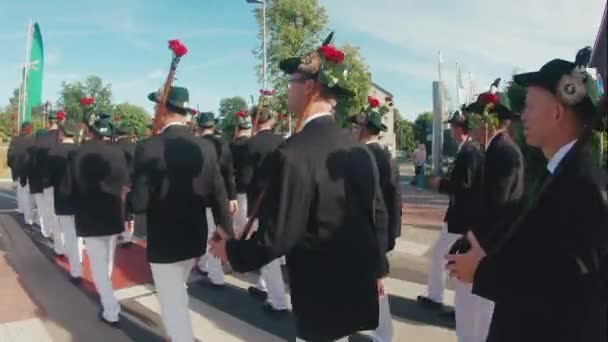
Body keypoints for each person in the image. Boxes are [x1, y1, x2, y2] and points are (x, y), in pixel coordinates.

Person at [210, 33, 389, 342]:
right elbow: (377, 216)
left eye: (291, 81)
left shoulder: (295, 153)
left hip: (319, 292)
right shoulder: (358, 148)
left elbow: (277, 237)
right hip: (354, 284)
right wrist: (377, 267)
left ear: (309, 87)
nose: (287, 89)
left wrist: (231, 252)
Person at [447, 48, 608, 342]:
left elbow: (564, 289)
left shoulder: (582, 187)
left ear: (557, 112)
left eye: (530, 106)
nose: (523, 116)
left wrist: (482, 272)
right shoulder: (561, 173)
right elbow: (540, 258)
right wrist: (489, 258)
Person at [130, 86, 232, 342]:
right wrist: (223, 228)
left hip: (165, 241)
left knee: (172, 304)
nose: (154, 111)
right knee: (178, 293)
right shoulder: (206, 147)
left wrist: (129, 193)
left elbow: (139, 203)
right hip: (194, 236)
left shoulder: (148, 147)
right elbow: (219, 192)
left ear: (163, 110)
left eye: (157, 107)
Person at [449, 80, 526, 342]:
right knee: (469, 317)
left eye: (478, 117)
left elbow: (498, 209)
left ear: (491, 121)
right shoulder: (493, 150)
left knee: (477, 321)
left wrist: (472, 247)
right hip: (482, 248)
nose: (475, 123)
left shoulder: (504, 153)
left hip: (487, 253)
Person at [417, 110, 484, 340]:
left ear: (459, 128)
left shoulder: (469, 152)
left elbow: (464, 185)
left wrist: (441, 184)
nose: (451, 130)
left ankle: (445, 301)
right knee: (442, 257)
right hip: (457, 218)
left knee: (444, 257)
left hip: (461, 220)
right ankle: (442, 299)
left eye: (453, 126)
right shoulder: (467, 150)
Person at [68, 113, 128, 327]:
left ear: (91, 131)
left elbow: (72, 185)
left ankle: (111, 308)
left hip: (89, 214)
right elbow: (124, 186)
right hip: (112, 212)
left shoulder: (79, 152)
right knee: (108, 259)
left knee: (98, 265)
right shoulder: (117, 153)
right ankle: (107, 292)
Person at [352, 105, 402, 342]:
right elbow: (395, 200)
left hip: (370, 230)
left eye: (356, 126)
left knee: (375, 283)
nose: (353, 130)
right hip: (376, 229)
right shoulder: (383, 156)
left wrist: (385, 237)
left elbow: (387, 201)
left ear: (364, 129)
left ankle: (383, 333)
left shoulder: (367, 156)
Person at [245, 105, 289, 314]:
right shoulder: (283, 141)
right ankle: (263, 286)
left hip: (261, 204)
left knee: (267, 250)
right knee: (270, 248)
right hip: (281, 200)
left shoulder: (252, 144)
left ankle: (278, 301)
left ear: (256, 120)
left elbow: (245, 179)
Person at [195, 111, 237, 287]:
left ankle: (215, 273)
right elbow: (229, 173)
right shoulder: (223, 144)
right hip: (221, 195)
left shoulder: (197, 145)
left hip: (203, 196)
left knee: (210, 234)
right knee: (215, 233)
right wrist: (232, 196)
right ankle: (206, 265)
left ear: (199, 126)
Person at [49, 120, 84, 282]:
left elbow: (50, 178)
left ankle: (76, 270)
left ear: (61, 133)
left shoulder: (54, 152)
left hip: (62, 197)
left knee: (69, 233)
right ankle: (79, 259)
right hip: (78, 197)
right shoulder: (81, 150)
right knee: (77, 233)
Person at [29, 111, 63, 240]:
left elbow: (34, 159)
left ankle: (46, 231)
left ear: (49, 121)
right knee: (55, 209)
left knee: (44, 209)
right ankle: (56, 233)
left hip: (40, 179)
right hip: (56, 180)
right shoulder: (60, 138)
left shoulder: (40, 137)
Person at [230, 112, 253, 237]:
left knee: (237, 224)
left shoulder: (232, 145)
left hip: (235, 187)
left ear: (238, 128)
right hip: (251, 187)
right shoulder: (253, 143)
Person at [113, 123, 136, 247]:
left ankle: (120, 232)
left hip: (118, 183)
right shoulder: (135, 146)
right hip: (132, 182)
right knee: (130, 211)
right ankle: (129, 235)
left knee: (119, 208)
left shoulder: (114, 147)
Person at [8, 122, 35, 225]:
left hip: (17, 170)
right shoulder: (33, 140)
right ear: (29, 129)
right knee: (28, 194)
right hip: (28, 170)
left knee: (20, 190)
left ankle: (21, 210)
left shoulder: (15, 139)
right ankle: (29, 218)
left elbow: (10, 155)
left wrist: (13, 166)